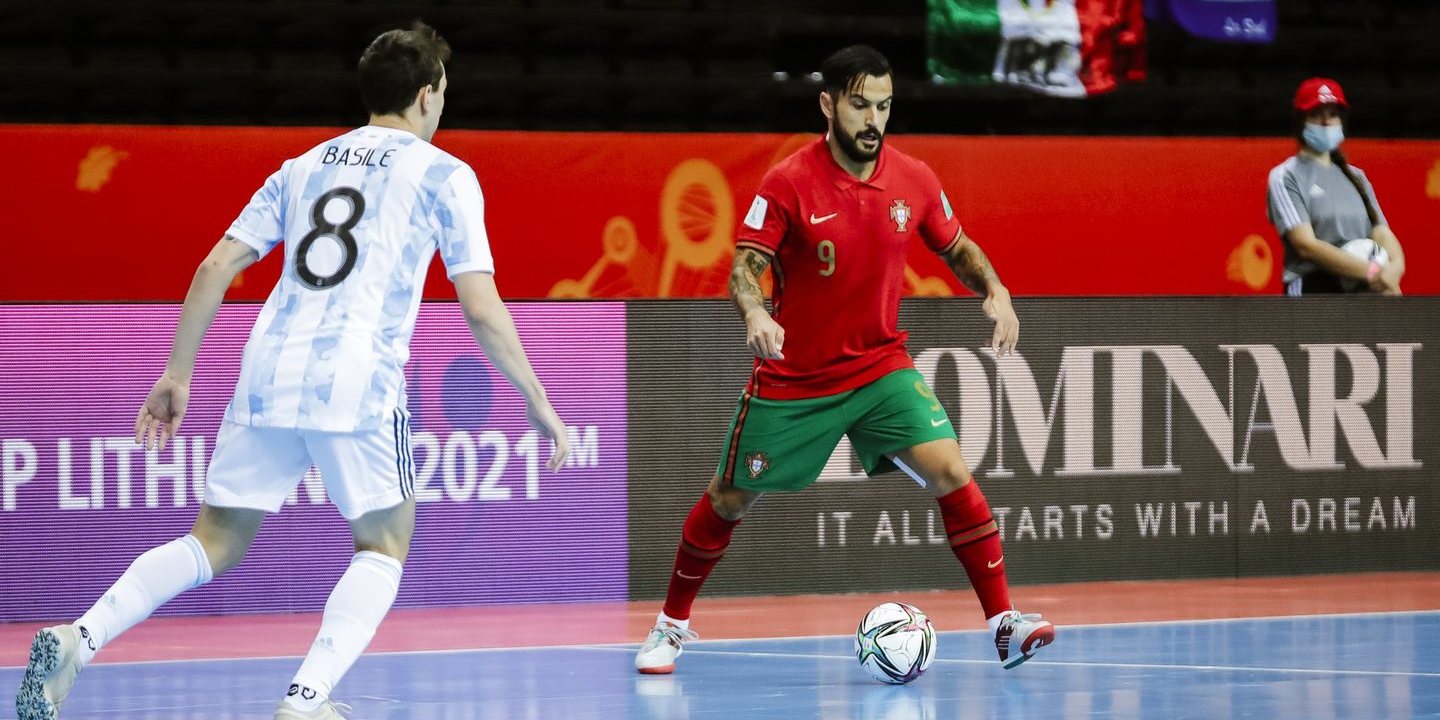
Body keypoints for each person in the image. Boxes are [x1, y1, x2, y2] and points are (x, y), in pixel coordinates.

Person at [16, 21, 570, 720]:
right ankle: (307, 699)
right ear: (428, 96)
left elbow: (215, 265)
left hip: (267, 373)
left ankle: (79, 636)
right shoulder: (445, 175)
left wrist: (176, 375)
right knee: (384, 543)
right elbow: (481, 306)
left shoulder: (301, 166)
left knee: (211, 540)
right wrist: (538, 397)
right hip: (360, 385)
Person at [633, 45, 1055, 675]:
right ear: (828, 104)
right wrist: (755, 313)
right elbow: (747, 266)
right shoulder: (787, 182)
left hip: (881, 367)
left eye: (884, 106)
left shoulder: (914, 178)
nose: (873, 120)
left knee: (951, 471)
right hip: (797, 378)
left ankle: (1002, 623)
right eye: (860, 105)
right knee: (729, 497)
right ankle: (670, 624)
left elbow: (957, 246)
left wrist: (994, 289)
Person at [1267, 77, 1406, 295]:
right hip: (1314, 290)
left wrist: (1395, 268)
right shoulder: (1285, 176)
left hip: (1365, 286)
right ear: (1300, 121)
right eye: (1316, 114)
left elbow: (1381, 232)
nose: (1325, 122)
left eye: (1332, 115)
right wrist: (1372, 272)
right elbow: (1306, 246)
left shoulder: (1356, 176)